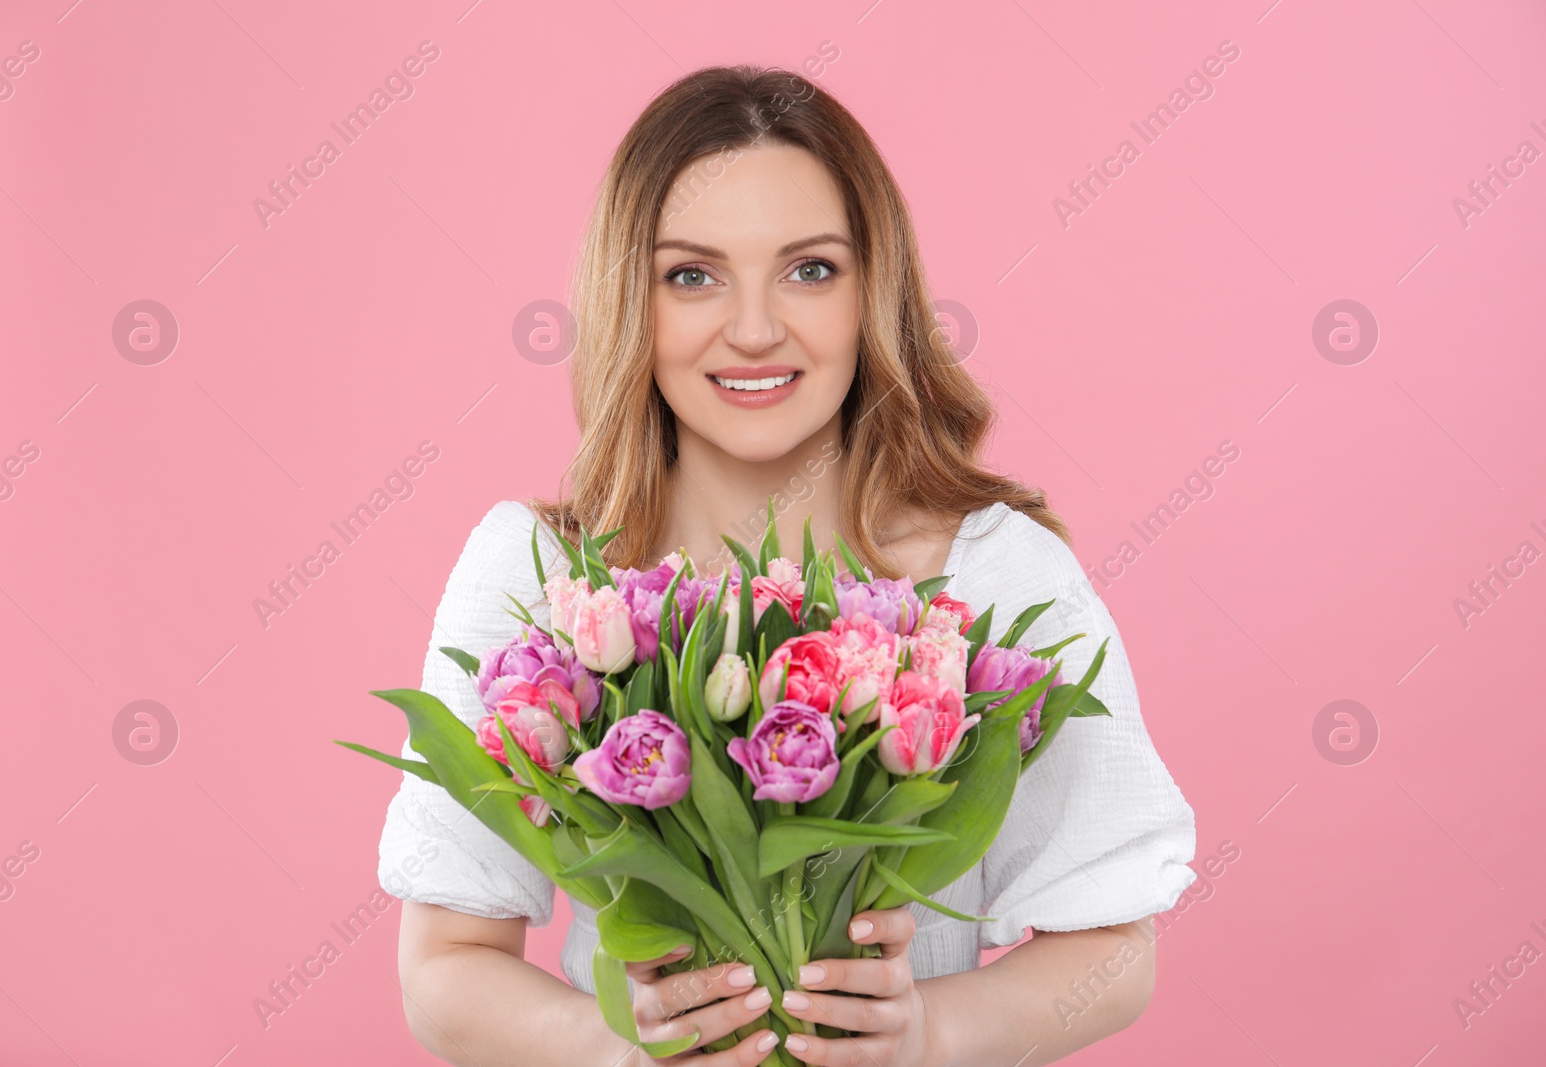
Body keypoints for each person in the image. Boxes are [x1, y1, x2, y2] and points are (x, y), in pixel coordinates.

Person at [376, 65, 1196, 1066]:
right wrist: (613, 1050)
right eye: (692, 274)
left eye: (809, 269)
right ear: (626, 296)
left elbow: (1112, 947)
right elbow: (445, 963)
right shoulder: (540, 577)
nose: (756, 328)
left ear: (873, 290)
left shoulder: (997, 576)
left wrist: (931, 1030)